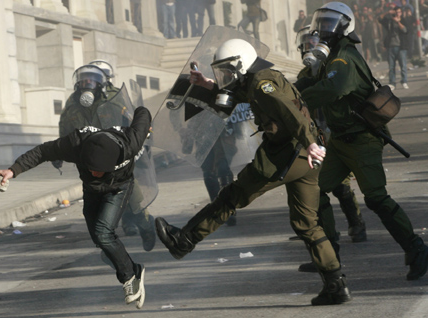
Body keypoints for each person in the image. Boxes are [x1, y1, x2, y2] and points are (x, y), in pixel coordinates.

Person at [155, 38, 352, 306]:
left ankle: (184, 240)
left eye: (226, 70)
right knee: (307, 223)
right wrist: (205, 84)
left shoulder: (262, 83)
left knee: (232, 197)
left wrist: (310, 142)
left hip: (288, 156)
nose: (223, 76)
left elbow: (288, 111)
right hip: (306, 158)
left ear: (240, 65)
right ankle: (336, 284)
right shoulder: (256, 79)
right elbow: (239, 96)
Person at [295, 2, 428, 281]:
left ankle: (417, 250)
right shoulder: (331, 55)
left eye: (331, 23)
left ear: (345, 26)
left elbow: (334, 88)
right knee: (316, 190)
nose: (323, 28)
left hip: (362, 140)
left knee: (377, 199)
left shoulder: (344, 56)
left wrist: (297, 100)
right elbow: (312, 81)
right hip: (341, 140)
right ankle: (329, 255)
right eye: (322, 22)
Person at [0, 105, 152, 308]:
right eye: (91, 168)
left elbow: (143, 112)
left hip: (118, 188)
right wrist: (12, 171)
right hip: (92, 191)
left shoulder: (131, 142)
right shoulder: (75, 143)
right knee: (97, 236)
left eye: (99, 170)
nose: (94, 172)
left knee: (103, 232)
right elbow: (42, 152)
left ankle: (130, 277)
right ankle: (130, 266)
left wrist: (138, 117)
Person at [57, 61, 156, 252]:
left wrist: (143, 135)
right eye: (83, 80)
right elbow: (65, 127)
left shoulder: (114, 98)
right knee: (100, 204)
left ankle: (146, 226)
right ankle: (109, 247)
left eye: (91, 80)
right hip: (92, 160)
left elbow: (131, 117)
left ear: (100, 81)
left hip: (118, 155)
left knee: (133, 197)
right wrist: (59, 152)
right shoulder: (72, 104)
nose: (87, 84)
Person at [294, 27, 366, 273]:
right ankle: (328, 244)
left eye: (313, 43)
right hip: (314, 133)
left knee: (341, 185)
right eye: (307, 44)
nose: (310, 47)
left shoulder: (336, 64)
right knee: (316, 187)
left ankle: (356, 223)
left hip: (334, 131)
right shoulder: (306, 71)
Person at [379, 6, 409, 90]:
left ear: (401, 13)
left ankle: (404, 81)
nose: (397, 14)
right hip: (391, 46)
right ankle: (392, 83)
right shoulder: (389, 21)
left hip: (401, 47)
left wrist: (398, 22)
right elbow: (380, 19)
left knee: (403, 65)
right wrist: (387, 13)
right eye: (395, 12)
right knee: (391, 66)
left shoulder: (403, 20)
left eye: (399, 12)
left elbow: (405, 30)